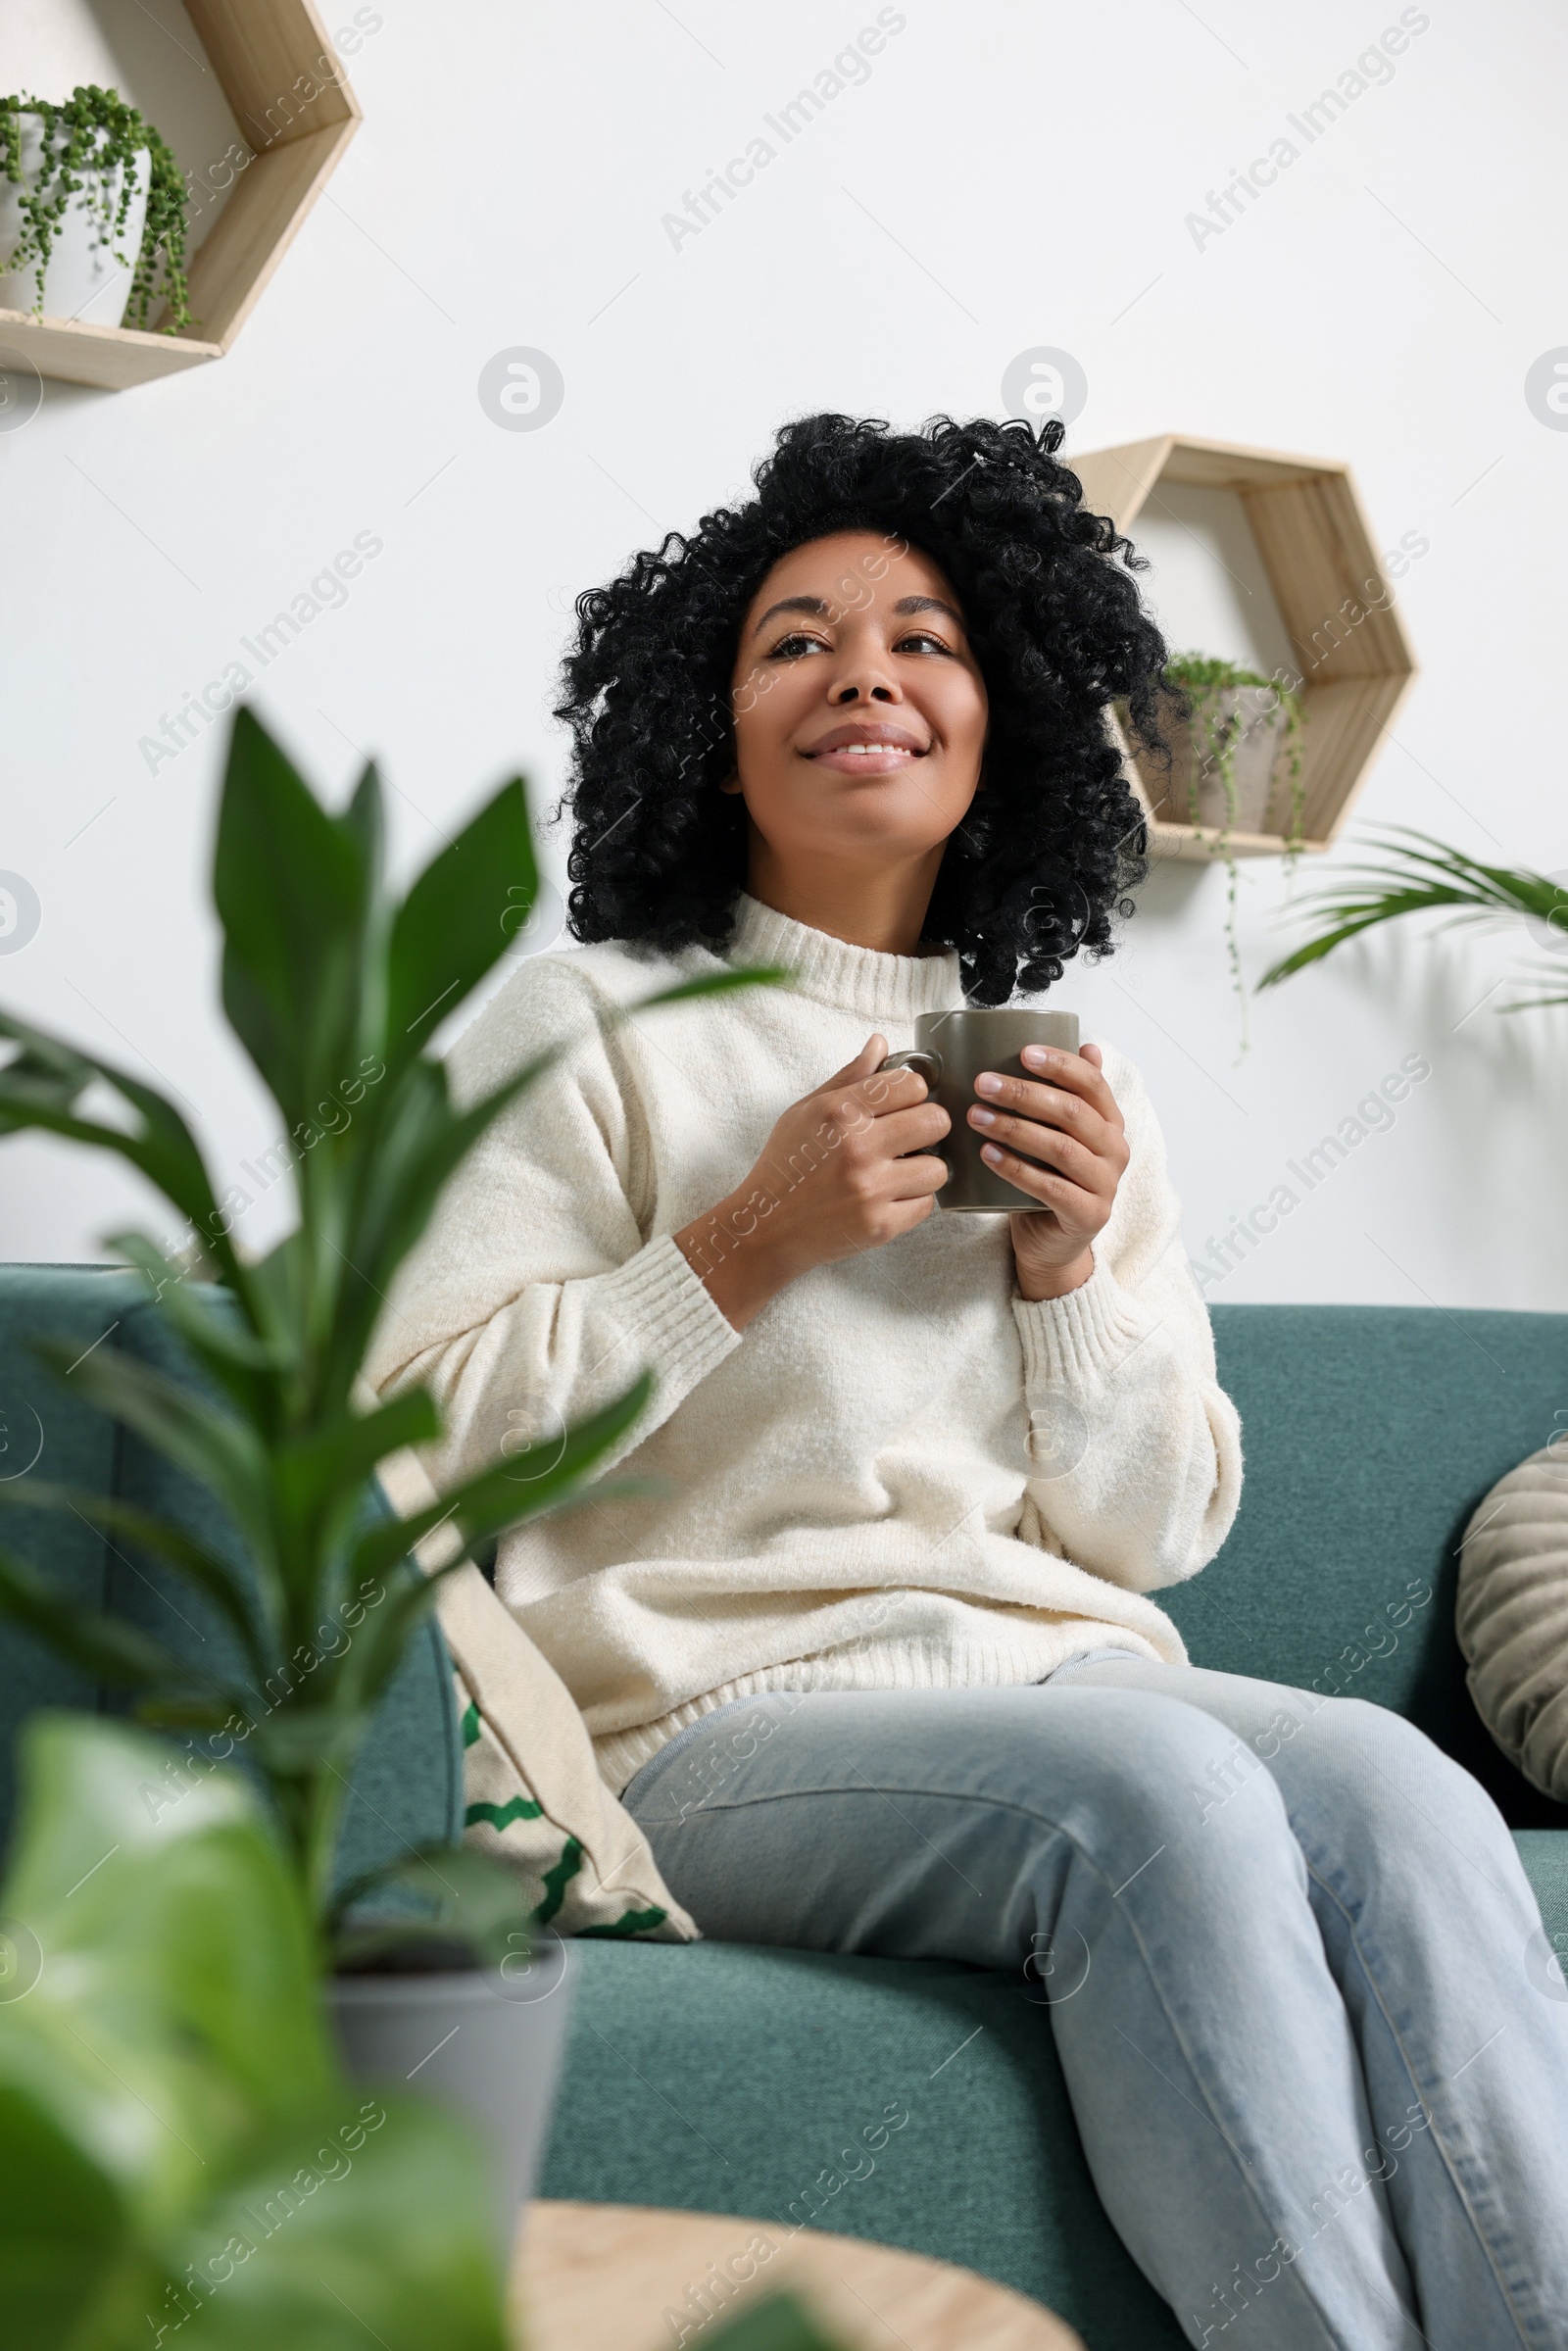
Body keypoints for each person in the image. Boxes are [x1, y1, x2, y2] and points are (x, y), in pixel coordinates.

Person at [368, 414, 1568, 2348]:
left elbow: (1153, 1528)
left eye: (924, 640)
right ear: (706, 717)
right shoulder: (577, 1021)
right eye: (794, 641)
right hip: (712, 1721)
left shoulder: (1061, 1074)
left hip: (1053, 1674)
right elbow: (417, 1439)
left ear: (1002, 712)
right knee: (1150, 1795)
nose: (863, 673)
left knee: (1396, 1789)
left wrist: (1066, 1272)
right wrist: (744, 1242)